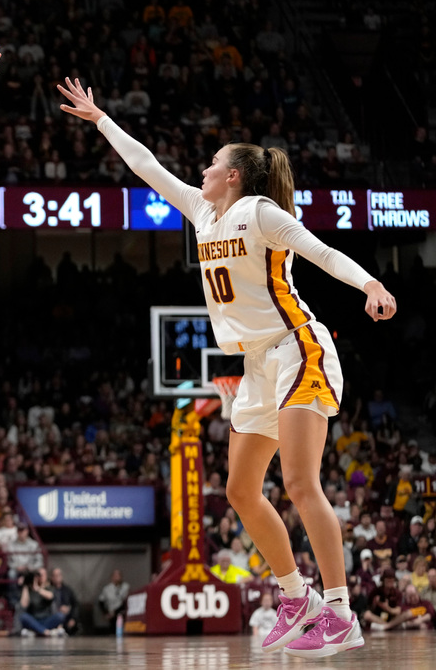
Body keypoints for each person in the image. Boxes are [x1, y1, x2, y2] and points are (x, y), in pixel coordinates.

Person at [59, 77, 397, 659]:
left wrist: (369, 283)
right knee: (240, 490)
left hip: (298, 348)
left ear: (235, 175)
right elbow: (148, 168)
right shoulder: (202, 211)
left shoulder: (259, 211)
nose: (204, 169)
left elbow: (319, 251)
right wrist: (101, 120)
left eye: (214, 163)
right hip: (257, 366)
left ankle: (341, 611)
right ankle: (297, 598)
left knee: (297, 483)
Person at [18, 568, 66, 637]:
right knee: (23, 617)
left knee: (60, 616)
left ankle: (38, 631)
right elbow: (24, 604)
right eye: (38, 575)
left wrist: (37, 588)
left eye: (42, 575)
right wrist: (25, 585)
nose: (40, 577)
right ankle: (46, 632)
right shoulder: (29, 590)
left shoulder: (49, 588)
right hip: (34, 620)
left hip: (46, 620)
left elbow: (50, 596)